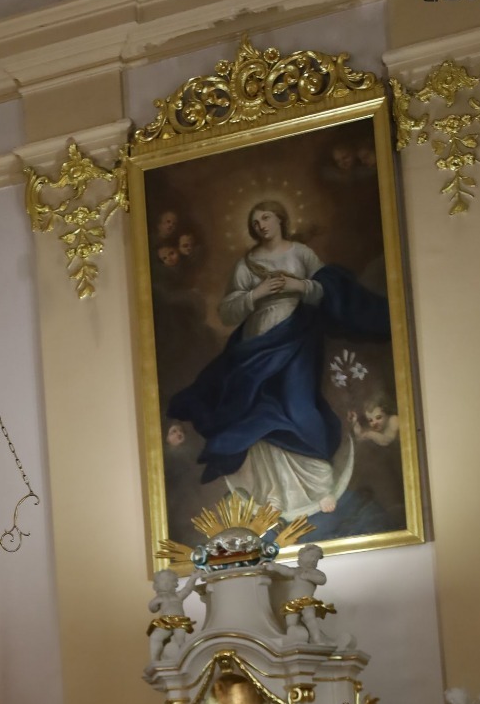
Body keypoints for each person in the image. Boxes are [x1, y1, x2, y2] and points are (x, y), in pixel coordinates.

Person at [167, 200, 390, 520]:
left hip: (297, 338)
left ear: (280, 219)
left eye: (266, 217)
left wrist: (297, 285)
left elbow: (325, 292)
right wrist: (256, 294)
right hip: (255, 344)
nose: (261, 225)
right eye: (255, 221)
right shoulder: (246, 264)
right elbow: (227, 311)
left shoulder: (301, 254)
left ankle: (319, 483)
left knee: (300, 407)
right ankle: (271, 491)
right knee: (257, 413)